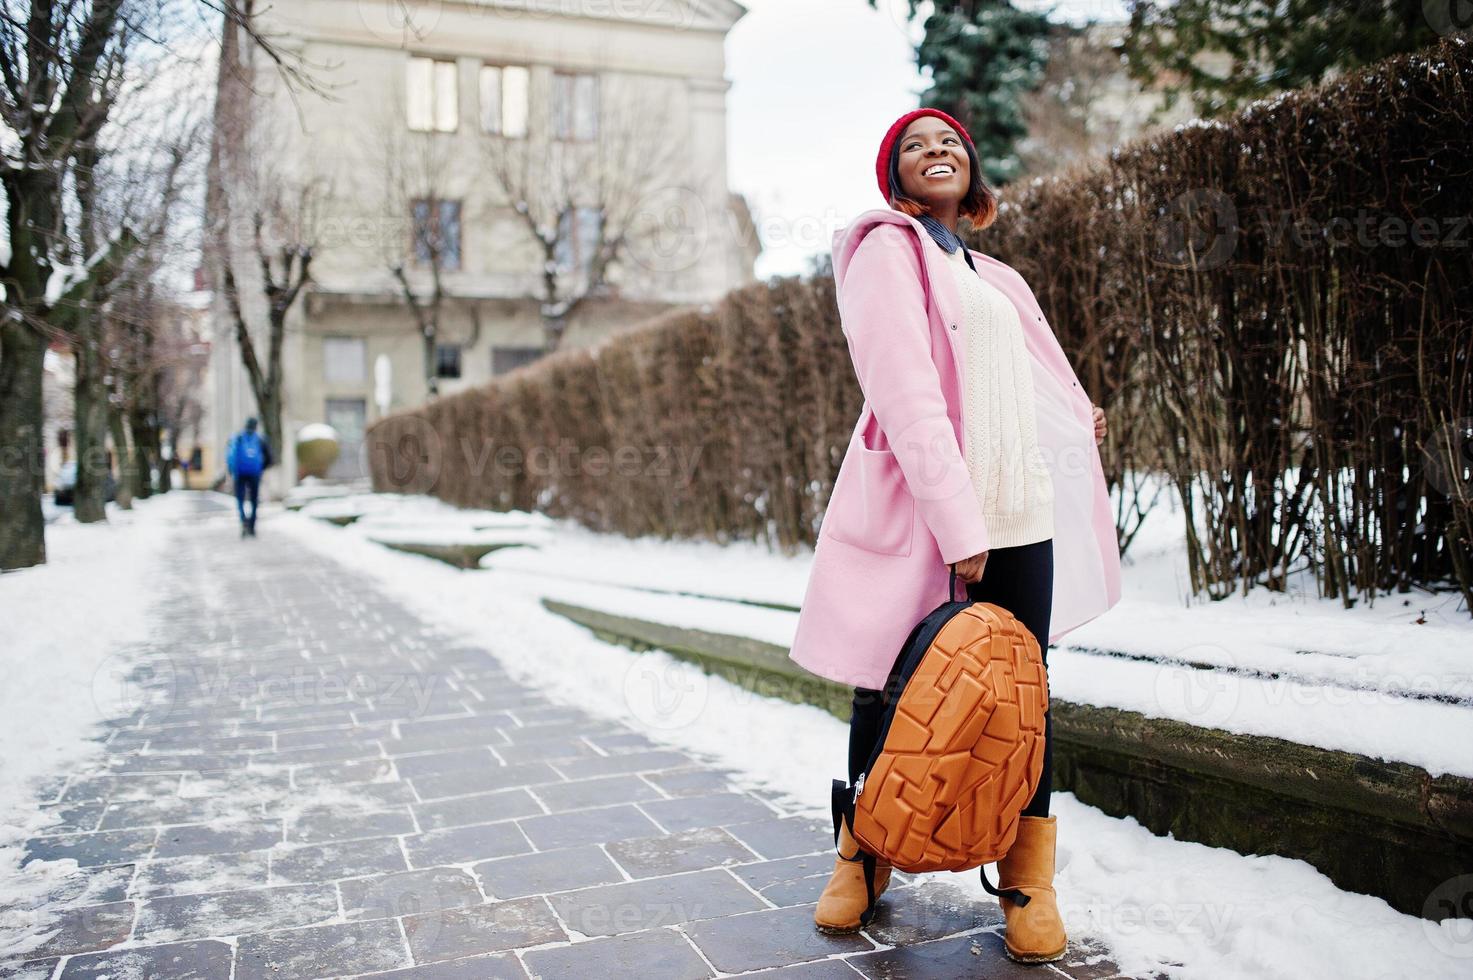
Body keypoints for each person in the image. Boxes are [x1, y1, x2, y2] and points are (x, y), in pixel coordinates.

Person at [787, 108, 1122, 962]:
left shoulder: (997, 275)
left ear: (972, 172)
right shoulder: (884, 249)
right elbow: (902, 392)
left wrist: (1075, 417)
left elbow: (1029, 374)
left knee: (1022, 696)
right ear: (893, 179)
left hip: (1024, 512)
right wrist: (957, 522)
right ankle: (862, 856)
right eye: (914, 147)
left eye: (950, 144)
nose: (936, 152)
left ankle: (1025, 881)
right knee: (894, 683)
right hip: (935, 513)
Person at [226, 417, 273, 537]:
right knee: (254, 499)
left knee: (240, 499)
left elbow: (230, 456)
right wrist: (261, 469)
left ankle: (243, 520)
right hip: (254, 474)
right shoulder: (260, 439)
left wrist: (232, 471)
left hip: (240, 473)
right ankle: (252, 525)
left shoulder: (238, 438)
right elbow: (269, 458)